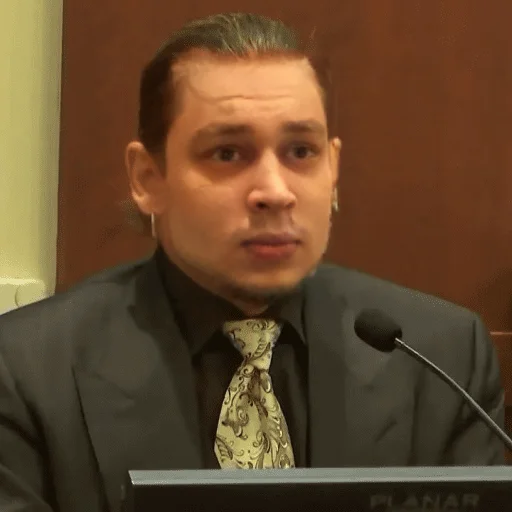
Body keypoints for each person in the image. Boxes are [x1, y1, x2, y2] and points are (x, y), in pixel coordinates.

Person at [0, 12, 505, 512]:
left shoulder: (441, 357)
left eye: (301, 151)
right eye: (227, 154)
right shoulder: (26, 372)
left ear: (333, 168)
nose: (275, 191)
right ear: (148, 178)